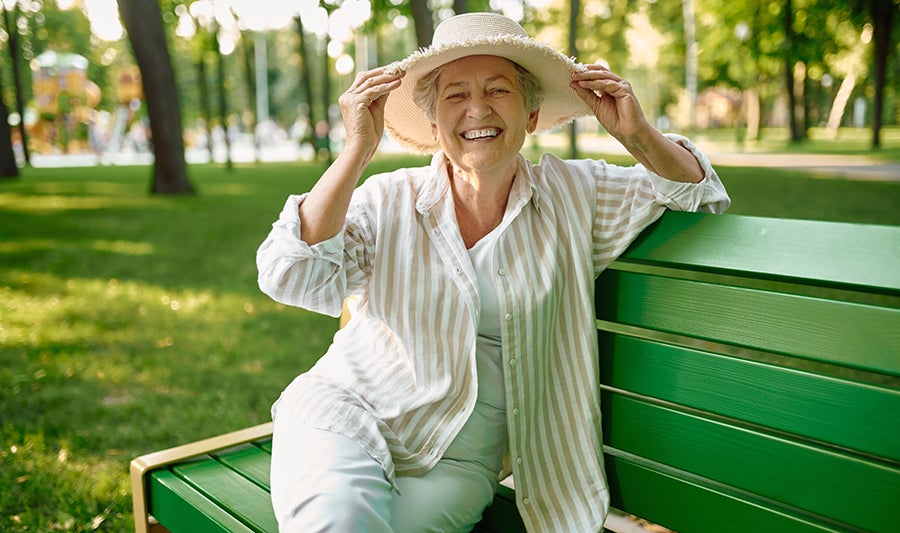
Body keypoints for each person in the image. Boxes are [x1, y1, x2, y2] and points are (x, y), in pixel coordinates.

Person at [257, 12, 729, 533]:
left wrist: (635, 133)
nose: (477, 109)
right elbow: (290, 274)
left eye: (499, 90)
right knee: (339, 523)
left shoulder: (576, 195)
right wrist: (356, 152)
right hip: (347, 415)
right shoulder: (388, 199)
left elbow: (698, 195)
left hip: (460, 462)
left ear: (530, 114)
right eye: (455, 95)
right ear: (434, 123)